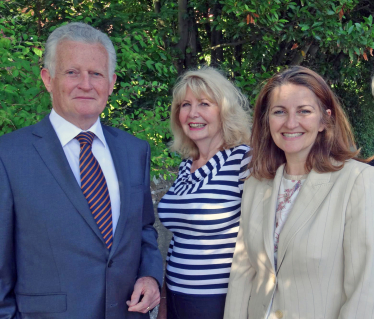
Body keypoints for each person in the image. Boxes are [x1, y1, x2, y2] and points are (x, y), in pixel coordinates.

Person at [0, 22, 163, 318]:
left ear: (111, 82)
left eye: (96, 74)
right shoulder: (8, 156)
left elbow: (142, 229)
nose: (86, 84)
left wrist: (151, 276)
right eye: (72, 72)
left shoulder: (134, 150)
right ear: (48, 79)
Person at [224, 66, 374, 319]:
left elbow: (365, 286)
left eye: (304, 111)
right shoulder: (255, 185)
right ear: (267, 120)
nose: (290, 123)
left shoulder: (358, 181)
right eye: (279, 112)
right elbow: (243, 272)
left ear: (325, 120)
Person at [157, 67, 252, 319]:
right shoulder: (186, 165)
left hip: (217, 301)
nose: (192, 113)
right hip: (176, 297)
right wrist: (165, 302)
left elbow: (263, 237)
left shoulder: (243, 160)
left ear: (224, 111)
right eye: (185, 104)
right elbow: (179, 240)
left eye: (204, 104)